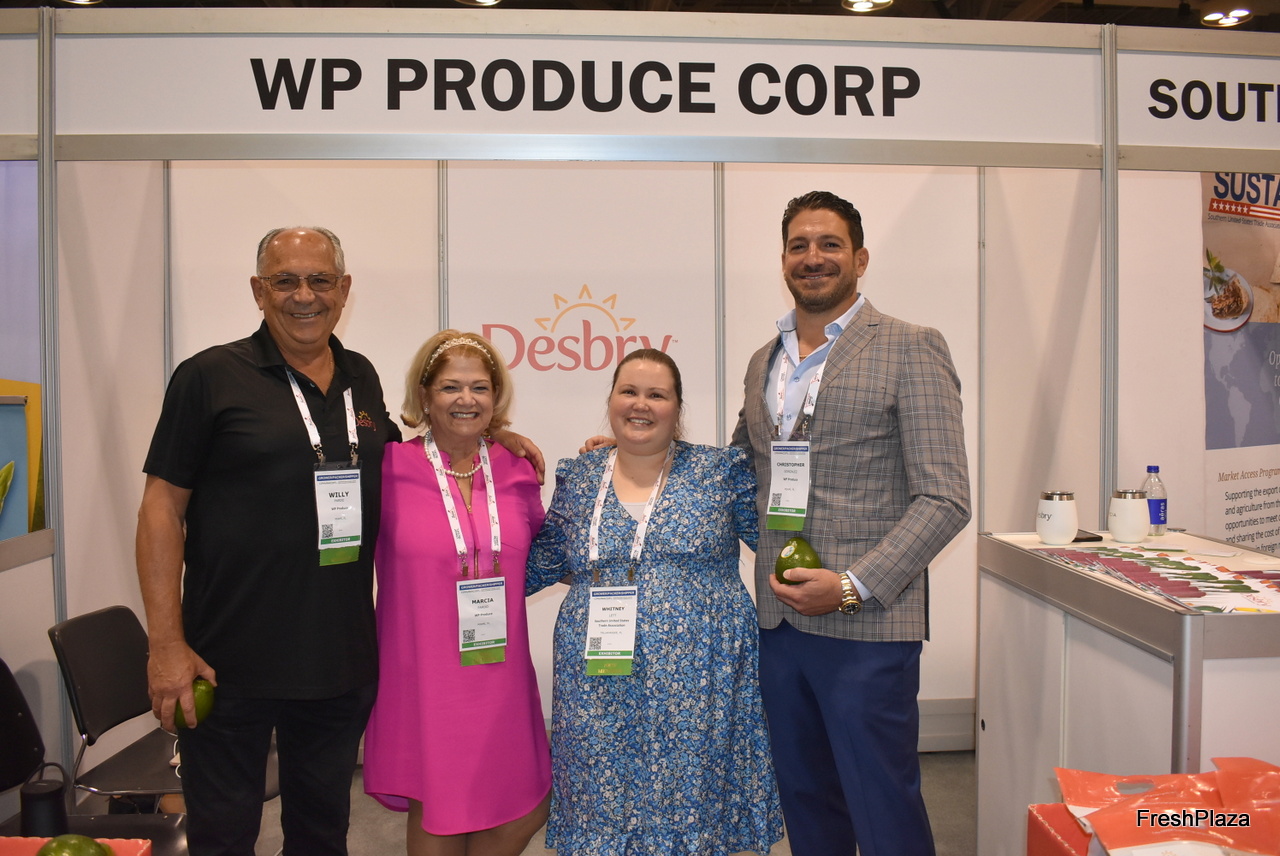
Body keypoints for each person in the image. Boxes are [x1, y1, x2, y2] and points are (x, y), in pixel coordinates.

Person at [136, 227, 401, 856]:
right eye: (286, 281)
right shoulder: (208, 376)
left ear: (344, 289)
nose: (304, 296)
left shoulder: (360, 376)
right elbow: (160, 509)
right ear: (259, 291)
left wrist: (492, 439)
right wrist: (166, 644)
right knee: (223, 838)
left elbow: (405, 461)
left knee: (322, 836)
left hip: (337, 661)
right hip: (226, 664)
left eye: (320, 280)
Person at [731, 190, 971, 856]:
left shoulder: (912, 347)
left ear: (860, 258)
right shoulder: (764, 360)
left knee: (882, 805)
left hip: (866, 627)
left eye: (830, 244)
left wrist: (849, 585)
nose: (813, 257)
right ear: (783, 259)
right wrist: (633, 457)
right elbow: (737, 469)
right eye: (799, 246)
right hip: (779, 625)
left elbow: (946, 498)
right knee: (807, 804)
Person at [528, 348, 783, 856]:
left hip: (699, 679)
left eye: (656, 395)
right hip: (597, 681)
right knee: (601, 801)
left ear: (677, 407)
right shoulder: (580, 476)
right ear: (611, 400)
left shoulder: (718, 470)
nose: (640, 404)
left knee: (691, 804)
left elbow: (777, 542)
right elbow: (539, 562)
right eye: (629, 391)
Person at [362, 330, 551, 856]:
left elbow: (552, 552)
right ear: (425, 396)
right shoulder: (387, 467)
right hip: (424, 675)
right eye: (450, 387)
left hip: (499, 672)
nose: (466, 399)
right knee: (438, 805)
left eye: (479, 387)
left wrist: (611, 462)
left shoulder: (517, 470)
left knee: (529, 804)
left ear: (496, 397)